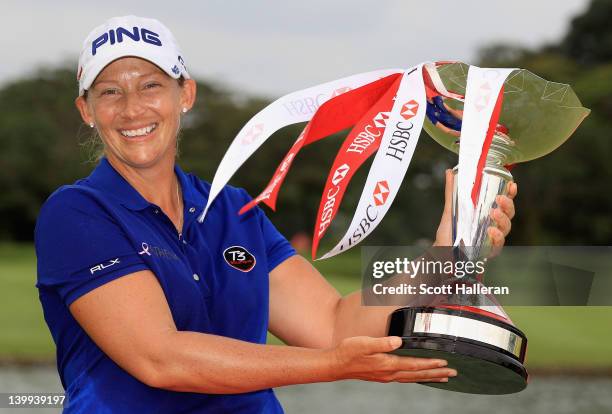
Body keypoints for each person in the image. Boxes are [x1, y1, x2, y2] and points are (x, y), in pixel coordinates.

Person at [34, 16, 518, 413]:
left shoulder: (233, 209)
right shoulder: (77, 213)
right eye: (110, 92)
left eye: (151, 85)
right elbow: (161, 358)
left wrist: (446, 254)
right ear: (86, 110)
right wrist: (333, 365)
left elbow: (333, 324)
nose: (132, 109)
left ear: (186, 95)